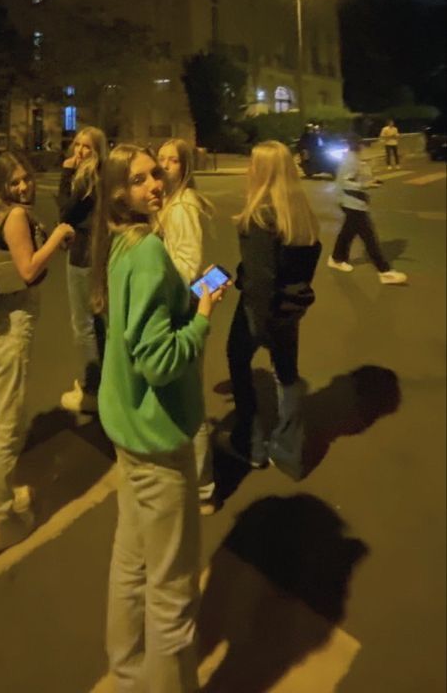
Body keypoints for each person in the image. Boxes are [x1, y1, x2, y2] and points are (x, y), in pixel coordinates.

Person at [94, 144, 224, 692]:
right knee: (172, 592)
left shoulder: (122, 245)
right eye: (140, 178)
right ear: (118, 192)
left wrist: (189, 298)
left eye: (156, 174)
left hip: (127, 432)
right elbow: (159, 358)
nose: (155, 184)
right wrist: (203, 313)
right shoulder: (146, 250)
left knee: (131, 565)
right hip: (157, 438)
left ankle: (126, 676)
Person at [0, 151, 74, 555]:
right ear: (2, 187)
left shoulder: (5, 213)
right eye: (14, 182)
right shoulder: (15, 217)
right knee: (9, 423)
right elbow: (29, 269)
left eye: (26, 178)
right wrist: (56, 237)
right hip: (12, 322)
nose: (23, 186)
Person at [225, 141, 321, 475]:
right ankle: (289, 452)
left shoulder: (259, 216)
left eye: (253, 164)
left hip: (260, 309)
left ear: (263, 171)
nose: (249, 170)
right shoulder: (301, 213)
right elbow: (299, 269)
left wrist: (260, 326)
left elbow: (259, 280)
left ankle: (250, 444)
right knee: (287, 374)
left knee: (237, 360)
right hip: (290, 308)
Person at [157, 137, 217, 514]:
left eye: (172, 161)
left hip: (183, 310)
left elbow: (190, 265)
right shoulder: (169, 203)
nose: (164, 165)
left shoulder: (182, 208)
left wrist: (152, 269)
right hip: (180, 307)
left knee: (189, 400)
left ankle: (204, 487)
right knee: (180, 397)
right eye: (160, 158)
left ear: (185, 167)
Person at [57, 126, 108, 412]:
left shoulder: (85, 177)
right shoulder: (105, 175)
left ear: (96, 150)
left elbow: (65, 211)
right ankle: (104, 381)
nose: (78, 151)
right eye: (77, 145)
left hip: (82, 254)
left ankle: (92, 389)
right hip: (99, 252)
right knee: (99, 320)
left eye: (86, 147)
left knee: (83, 324)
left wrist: (66, 173)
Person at [328, 137, 407, 284]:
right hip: (353, 204)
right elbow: (345, 182)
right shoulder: (351, 160)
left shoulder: (353, 158)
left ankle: (336, 258)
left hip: (353, 203)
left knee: (347, 233)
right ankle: (384, 271)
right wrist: (365, 185)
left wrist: (370, 181)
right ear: (359, 146)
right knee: (369, 238)